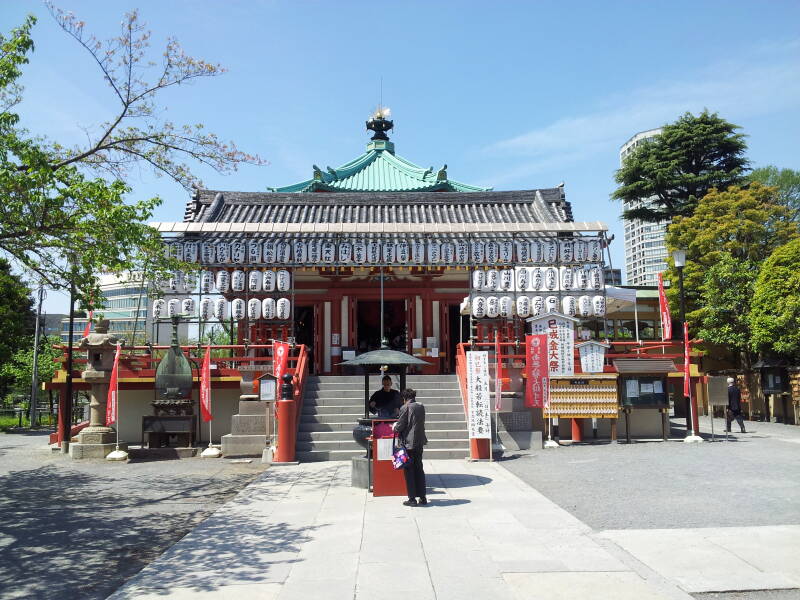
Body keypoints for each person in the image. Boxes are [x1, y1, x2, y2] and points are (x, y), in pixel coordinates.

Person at [393, 388, 428, 506]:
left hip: (409, 443)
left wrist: (394, 427)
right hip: (419, 441)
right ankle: (423, 497)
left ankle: (412, 498)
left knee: (409, 470)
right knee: (419, 468)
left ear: (404, 398)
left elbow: (400, 426)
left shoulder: (405, 407)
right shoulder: (421, 406)